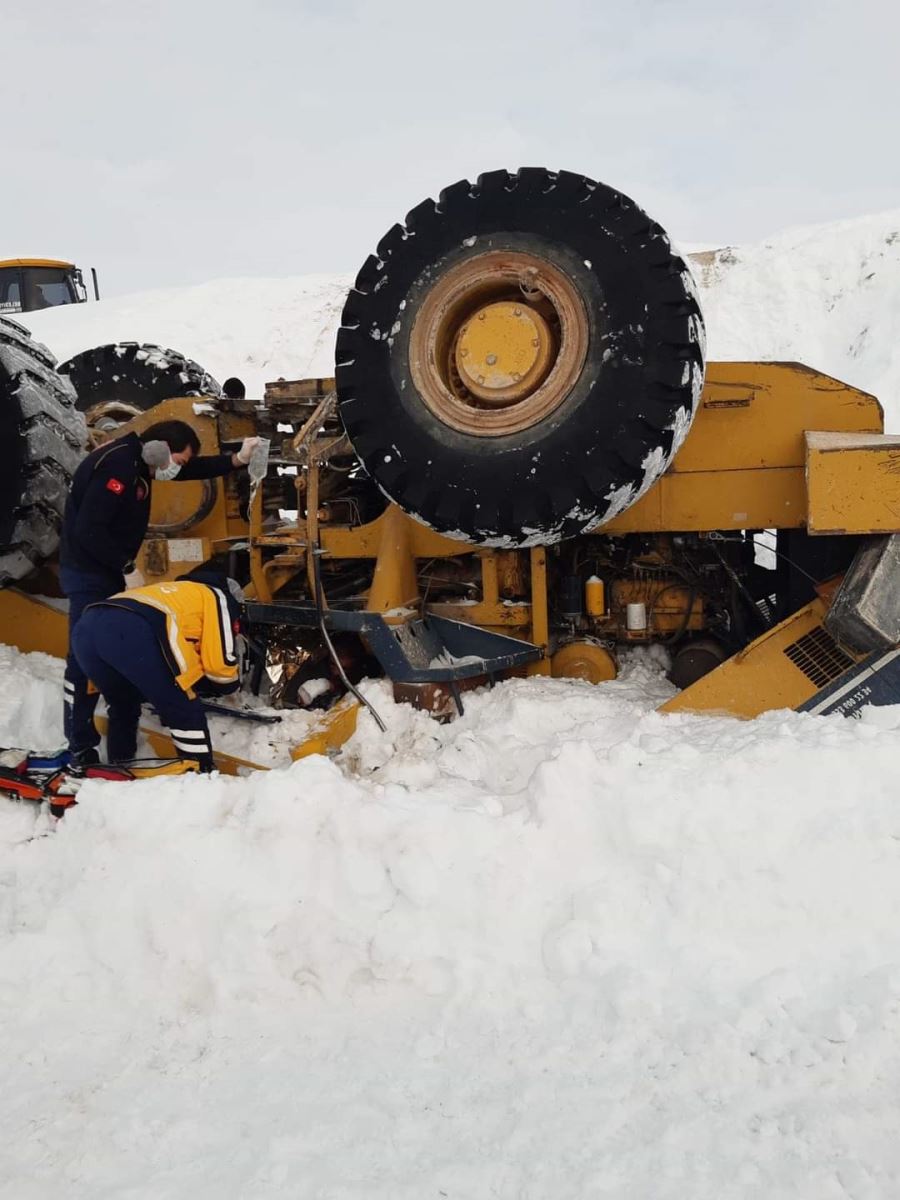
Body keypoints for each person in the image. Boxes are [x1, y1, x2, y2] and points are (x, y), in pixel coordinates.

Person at [60, 419, 260, 764]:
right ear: (160, 450)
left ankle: (121, 754)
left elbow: (187, 469)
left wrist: (235, 461)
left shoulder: (141, 461)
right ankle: (79, 744)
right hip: (89, 572)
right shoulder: (119, 466)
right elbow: (88, 530)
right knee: (83, 661)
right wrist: (126, 566)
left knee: (115, 668)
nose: (176, 470)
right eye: (178, 460)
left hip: (107, 570)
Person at [70, 572, 244, 772]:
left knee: (123, 704)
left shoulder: (174, 591)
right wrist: (229, 686)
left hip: (86, 628)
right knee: (183, 706)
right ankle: (201, 774)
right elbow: (218, 659)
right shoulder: (216, 596)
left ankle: (120, 768)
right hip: (131, 627)